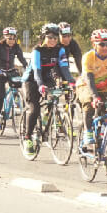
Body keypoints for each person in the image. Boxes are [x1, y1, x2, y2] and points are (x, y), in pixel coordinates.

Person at [21, 23, 74, 154]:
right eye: (50, 37)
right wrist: (40, 85)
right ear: (44, 37)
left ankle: (46, 121)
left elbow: (64, 69)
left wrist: (72, 82)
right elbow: (37, 71)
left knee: (54, 98)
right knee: (34, 108)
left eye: (55, 38)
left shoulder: (60, 50)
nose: (53, 40)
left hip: (48, 79)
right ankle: (27, 138)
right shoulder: (37, 51)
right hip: (32, 80)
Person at [0, 26, 28, 130]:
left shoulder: (16, 46)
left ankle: (16, 98)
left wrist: (28, 67)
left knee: (17, 83)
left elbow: (21, 58)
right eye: (9, 38)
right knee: (1, 93)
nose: (12, 40)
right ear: (5, 38)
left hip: (11, 71)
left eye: (13, 38)